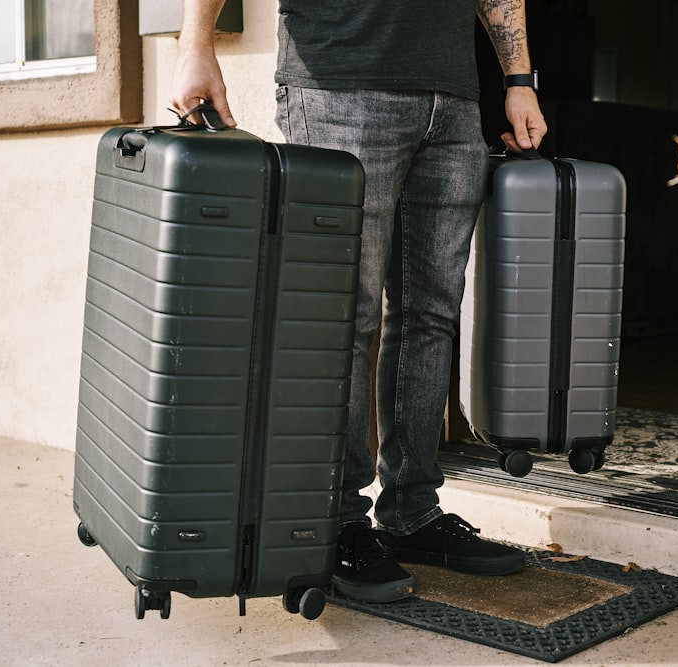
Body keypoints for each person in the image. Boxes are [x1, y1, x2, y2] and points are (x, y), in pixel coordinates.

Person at [171, 0, 547, 604]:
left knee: (430, 318)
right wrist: (195, 45)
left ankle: (413, 512)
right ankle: (334, 522)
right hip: (339, 89)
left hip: (452, 101)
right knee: (345, 319)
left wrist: (519, 80)